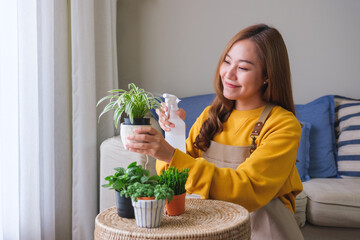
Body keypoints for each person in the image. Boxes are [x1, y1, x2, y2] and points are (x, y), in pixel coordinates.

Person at [126, 24, 304, 240]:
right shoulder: (212, 115)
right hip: (216, 227)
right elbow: (174, 180)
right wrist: (172, 138)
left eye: (244, 68)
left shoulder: (283, 124)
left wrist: (170, 155)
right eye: (227, 61)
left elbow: (246, 191)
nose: (228, 74)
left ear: (268, 75)